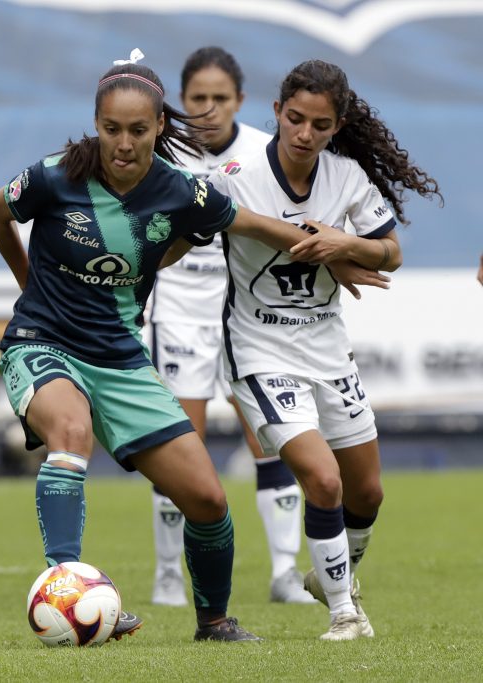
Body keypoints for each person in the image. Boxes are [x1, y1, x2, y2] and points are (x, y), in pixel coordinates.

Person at [0, 52, 387, 643]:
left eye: (138, 131)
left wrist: (333, 249)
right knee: (71, 435)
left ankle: (214, 622)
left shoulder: (180, 192)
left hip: (120, 358)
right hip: (41, 344)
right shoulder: (53, 175)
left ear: (159, 130)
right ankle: (67, 588)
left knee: (206, 498)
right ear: (96, 124)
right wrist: (29, 285)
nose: (123, 143)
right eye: (111, 129)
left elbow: (253, 224)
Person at [208, 59, 443, 640]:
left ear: (336, 127)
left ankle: (326, 575)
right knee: (324, 481)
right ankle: (344, 611)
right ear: (276, 111)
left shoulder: (347, 178)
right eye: (294, 119)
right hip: (259, 346)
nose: (304, 134)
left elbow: (391, 255)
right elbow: (184, 228)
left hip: (328, 347)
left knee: (367, 491)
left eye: (319, 124)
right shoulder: (235, 174)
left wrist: (348, 243)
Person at [147, 47, 312, 606]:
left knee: (272, 441)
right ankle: (170, 573)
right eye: (198, 98)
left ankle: (285, 571)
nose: (210, 109)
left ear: (240, 101)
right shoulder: (160, 153)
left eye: (221, 98)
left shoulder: (262, 156)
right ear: (182, 100)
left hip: (248, 316)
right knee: (178, 449)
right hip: (181, 316)